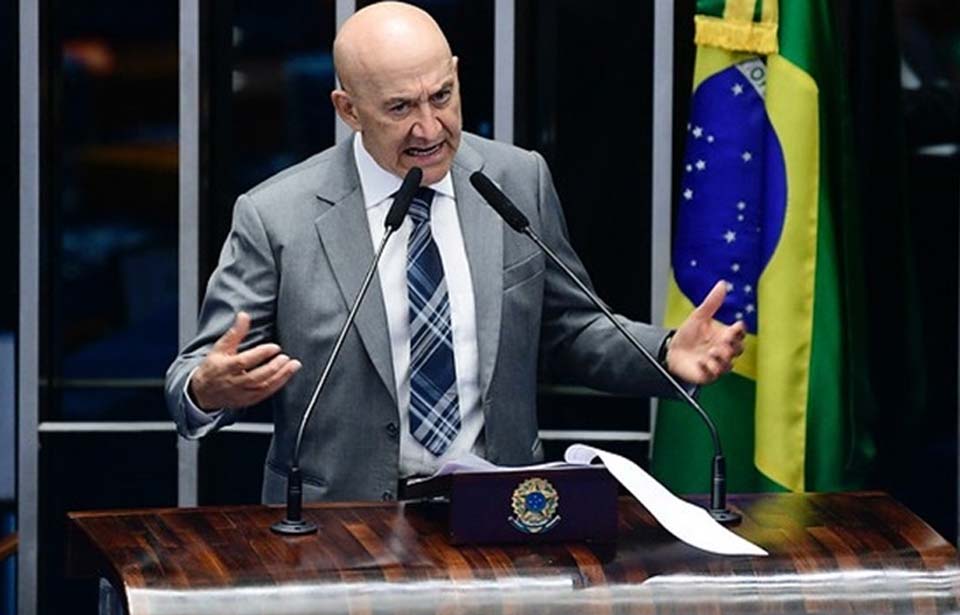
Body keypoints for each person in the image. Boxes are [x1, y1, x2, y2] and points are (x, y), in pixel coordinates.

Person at [165, 1, 745, 503]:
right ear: (348, 110)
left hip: (500, 513)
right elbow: (193, 374)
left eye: (441, 96)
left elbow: (570, 329)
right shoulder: (277, 216)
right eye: (400, 108)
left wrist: (664, 351)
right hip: (338, 526)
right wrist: (206, 391)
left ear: (457, 77)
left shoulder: (516, 180)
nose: (429, 128)